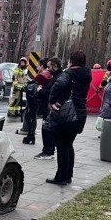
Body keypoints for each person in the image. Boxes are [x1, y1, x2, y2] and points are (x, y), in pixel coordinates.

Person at [45, 50, 92, 185]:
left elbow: (59, 84)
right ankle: (68, 175)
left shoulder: (69, 74)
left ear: (71, 61)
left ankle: (61, 177)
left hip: (68, 114)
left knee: (62, 145)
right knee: (68, 144)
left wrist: (52, 101)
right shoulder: (86, 74)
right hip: (81, 113)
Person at [35, 57, 62, 160]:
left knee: (47, 129)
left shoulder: (57, 78)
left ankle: (48, 151)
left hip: (51, 108)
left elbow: (50, 93)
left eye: (49, 66)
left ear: (55, 66)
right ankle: (47, 150)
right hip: (51, 107)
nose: (48, 69)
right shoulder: (56, 77)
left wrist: (40, 90)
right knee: (47, 128)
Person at [21, 58, 52, 145]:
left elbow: (33, 85)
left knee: (31, 117)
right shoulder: (49, 75)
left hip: (35, 100)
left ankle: (31, 136)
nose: (37, 67)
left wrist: (27, 83)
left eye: (38, 65)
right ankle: (31, 136)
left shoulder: (41, 75)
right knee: (39, 119)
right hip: (44, 101)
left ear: (42, 66)